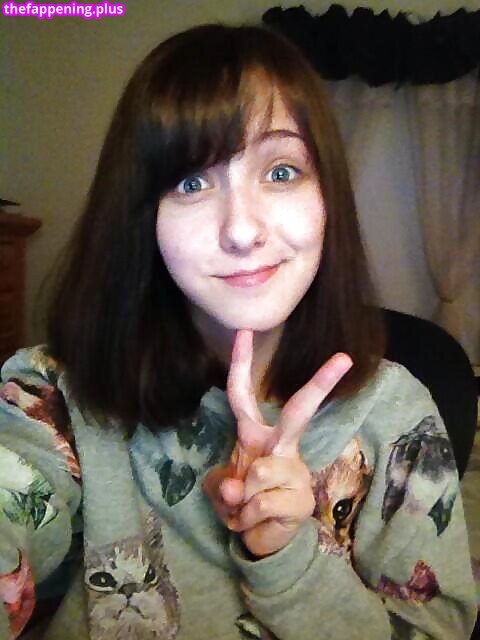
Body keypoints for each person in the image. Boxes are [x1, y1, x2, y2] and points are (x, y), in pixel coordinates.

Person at [0, 23, 476, 640]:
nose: (242, 231)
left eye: (280, 172)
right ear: (142, 215)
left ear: (327, 196)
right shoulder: (54, 395)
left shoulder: (397, 413)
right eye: (190, 183)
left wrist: (288, 556)